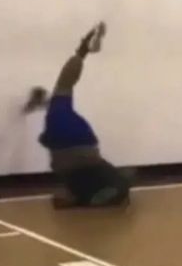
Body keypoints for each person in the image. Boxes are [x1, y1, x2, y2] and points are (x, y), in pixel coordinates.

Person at [22, 23, 131, 209]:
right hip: (86, 151)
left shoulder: (54, 116)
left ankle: (79, 195)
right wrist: (81, 51)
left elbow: (46, 139)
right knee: (115, 184)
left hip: (65, 160)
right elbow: (69, 75)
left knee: (72, 173)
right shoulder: (59, 104)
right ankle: (114, 185)